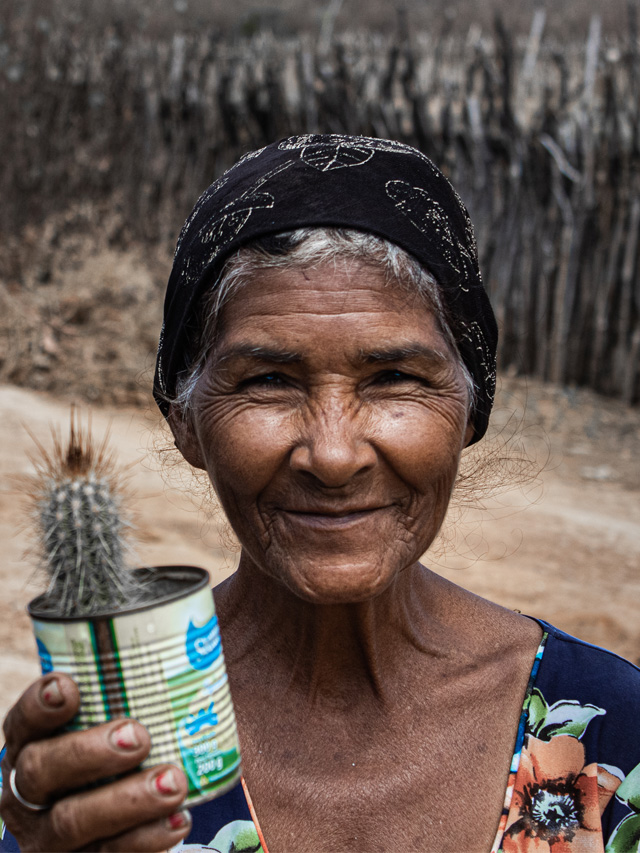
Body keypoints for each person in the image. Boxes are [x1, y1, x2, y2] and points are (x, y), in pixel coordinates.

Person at [1, 134, 639, 853]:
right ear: (183, 419)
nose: (333, 456)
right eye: (268, 380)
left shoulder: (616, 730)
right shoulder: (102, 763)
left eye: (394, 377)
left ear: (469, 410)